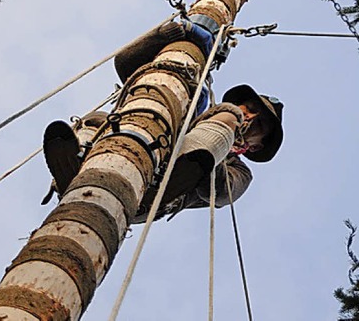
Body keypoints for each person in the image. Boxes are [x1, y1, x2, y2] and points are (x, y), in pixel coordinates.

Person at [41, 21, 284, 222]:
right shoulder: (195, 116)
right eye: (249, 108)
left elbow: (219, 194)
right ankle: (76, 161)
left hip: (153, 195)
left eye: (259, 124)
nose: (249, 117)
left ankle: (175, 171)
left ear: (256, 146)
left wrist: (216, 144)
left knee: (227, 113)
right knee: (99, 119)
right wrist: (161, 37)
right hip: (113, 155)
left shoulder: (238, 167)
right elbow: (126, 64)